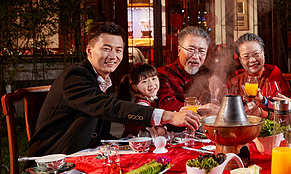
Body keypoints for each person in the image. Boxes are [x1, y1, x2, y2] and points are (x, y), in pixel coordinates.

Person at [28, 22, 201, 156]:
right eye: (106, 49)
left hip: (87, 154)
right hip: (55, 161)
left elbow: (100, 131)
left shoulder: (101, 79)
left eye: (118, 50)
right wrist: (167, 115)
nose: (113, 56)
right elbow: (108, 107)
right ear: (89, 51)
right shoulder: (75, 77)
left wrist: (128, 143)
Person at [229, 33, 291, 119]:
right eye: (246, 56)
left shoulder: (274, 76)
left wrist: (261, 113)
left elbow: (286, 115)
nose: (252, 60)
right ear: (240, 60)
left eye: (256, 54)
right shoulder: (236, 80)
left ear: (263, 53)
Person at [157, 26, 213, 112]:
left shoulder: (209, 74)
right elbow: (167, 105)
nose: (195, 56)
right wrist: (200, 110)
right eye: (191, 49)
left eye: (201, 51)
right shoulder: (163, 74)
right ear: (179, 51)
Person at [122, 63, 166, 137]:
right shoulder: (141, 105)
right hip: (136, 144)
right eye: (144, 81)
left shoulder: (155, 100)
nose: (151, 84)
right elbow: (154, 133)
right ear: (135, 87)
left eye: (154, 79)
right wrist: (163, 130)